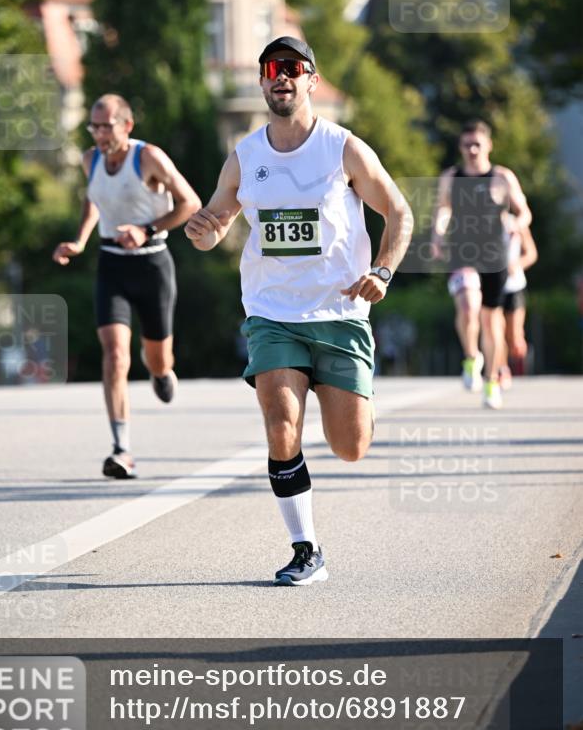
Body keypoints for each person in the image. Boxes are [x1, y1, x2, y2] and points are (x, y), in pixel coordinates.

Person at [185, 36, 413, 586]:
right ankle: (306, 548)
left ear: (312, 79)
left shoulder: (343, 149)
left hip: (340, 312)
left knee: (350, 447)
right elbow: (215, 224)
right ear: (263, 82)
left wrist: (382, 271)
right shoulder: (245, 157)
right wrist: (202, 231)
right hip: (272, 314)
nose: (280, 77)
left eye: (291, 68)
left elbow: (399, 212)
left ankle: (358, 403)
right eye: (271, 69)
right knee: (281, 423)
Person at [53, 93, 201, 479]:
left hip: (152, 264)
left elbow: (190, 202)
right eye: (95, 127)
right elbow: (93, 199)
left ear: (127, 125)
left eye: (107, 127)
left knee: (158, 359)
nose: (100, 134)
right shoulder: (90, 160)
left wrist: (145, 229)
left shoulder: (148, 157)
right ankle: (121, 449)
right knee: (116, 355)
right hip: (112, 265)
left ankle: (161, 372)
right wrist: (80, 240)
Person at [431, 120, 531, 409]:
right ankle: (472, 356)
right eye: (467, 145)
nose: (472, 150)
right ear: (460, 147)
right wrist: (437, 235)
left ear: (488, 145)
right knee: (467, 307)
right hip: (462, 253)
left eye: (477, 144)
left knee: (491, 321)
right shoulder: (452, 177)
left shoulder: (502, 177)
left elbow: (524, 212)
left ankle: (491, 380)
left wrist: (517, 224)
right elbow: (443, 209)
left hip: (494, 256)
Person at [497, 216, 538, 385]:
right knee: (496, 331)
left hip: (515, 286)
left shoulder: (515, 223)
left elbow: (531, 253)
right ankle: (502, 369)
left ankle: (522, 369)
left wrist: (517, 265)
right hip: (494, 286)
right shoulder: (482, 223)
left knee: (515, 338)